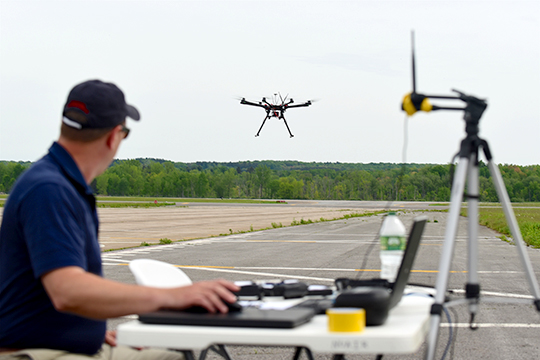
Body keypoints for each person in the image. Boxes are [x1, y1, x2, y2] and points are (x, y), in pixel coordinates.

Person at [0, 80, 239, 360]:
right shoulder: (49, 189)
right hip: (32, 353)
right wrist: (174, 296)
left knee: (177, 355)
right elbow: (67, 291)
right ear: (114, 136)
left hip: (63, 344)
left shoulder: (57, 182)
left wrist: (89, 332)